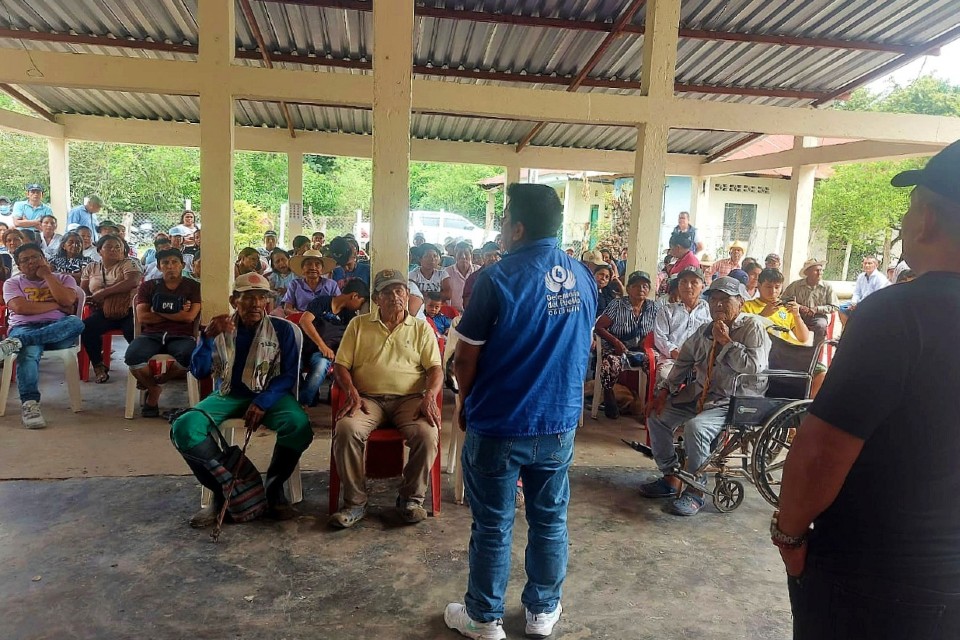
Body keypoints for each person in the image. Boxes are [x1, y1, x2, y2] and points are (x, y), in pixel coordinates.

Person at [776, 140, 960, 639]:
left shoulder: (899, 313)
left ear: (924, 218)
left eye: (909, 207)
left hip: (876, 583)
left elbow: (821, 451)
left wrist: (789, 534)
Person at [444, 183, 596, 640]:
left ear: (519, 228)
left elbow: (465, 357)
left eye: (506, 218)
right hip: (558, 424)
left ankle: (484, 618)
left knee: (493, 523)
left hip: (499, 424)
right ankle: (542, 613)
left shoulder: (497, 278)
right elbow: (579, 343)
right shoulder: (583, 276)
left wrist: (465, 402)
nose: (503, 227)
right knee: (549, 518)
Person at [170, 272, 311, 527]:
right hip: (227, 394)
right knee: (185, 427)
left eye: (262, 297)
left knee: (298, 425)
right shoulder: (221, 328)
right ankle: (222, 491)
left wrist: (264, 401)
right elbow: (199, 371)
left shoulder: (282, 330)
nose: (256, 304)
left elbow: (289, 375)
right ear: (235, 300)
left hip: (271, 394)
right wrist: (207, 338)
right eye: (248, 297)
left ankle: (274, 486)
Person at [639, 276, 769, 517]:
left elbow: (754, 366)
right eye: (713, 300)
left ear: (740, 302)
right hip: (701, 394)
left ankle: (695, 490)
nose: (718, 305)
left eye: (725, 300)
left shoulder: (752, 327)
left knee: (696, 428)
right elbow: (683, 364)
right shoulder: (703, 331)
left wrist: (728, 343)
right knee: (657, 416)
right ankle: (670, 478)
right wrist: (664, 391)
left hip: (735, 400)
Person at [328, 269, 442, 529]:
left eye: (399, 291)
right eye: (387, 292)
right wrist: (351, 391)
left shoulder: (421, 328)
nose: (395, 297)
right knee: (346, 429)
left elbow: (435, 369)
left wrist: (430, 396)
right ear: (376, 298)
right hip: (367, 400)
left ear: (407, 294)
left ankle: (410, 500)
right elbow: (342, 365)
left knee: (427, 433)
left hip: (410, 400)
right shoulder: (358, 325)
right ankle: (355, 502)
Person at [0, 243, 85, 428]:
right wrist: (57, 306)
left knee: (76, 323)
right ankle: (30, 405)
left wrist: (47, 275)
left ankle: (16, 343)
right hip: (24, 326)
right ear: (19, 266)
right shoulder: (12, 283)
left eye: (36, 257)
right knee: (29, 352)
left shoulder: (64, 278)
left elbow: (69, 300)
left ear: (44, 259)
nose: (32, 262)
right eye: (25, 260)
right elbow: (21, 308)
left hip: (58, 328)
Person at [125, 248, 201, 417]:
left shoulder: (194, 287)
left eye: (174, 262)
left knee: (191, 355)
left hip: (181, 335)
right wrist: (177, 312)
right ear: (159, 267)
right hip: (151, 335)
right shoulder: (148, 286)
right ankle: (153, 389)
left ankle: (162, 379)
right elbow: (143, 317)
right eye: (165, 263)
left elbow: (189, 318)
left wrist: (156, 309)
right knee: (132, 356)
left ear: (182, 265)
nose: (170, 266)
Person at [594, 270, 660, 419]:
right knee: (610, 362)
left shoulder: (654, 308)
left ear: (649, 289)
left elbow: (660, 331)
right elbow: (599, 327)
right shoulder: (617, 304)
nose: (640, 289)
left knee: (656, 364)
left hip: (640, 351)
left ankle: (650, 404)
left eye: (644, 286)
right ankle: (609, 394)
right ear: (628, 288)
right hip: (616, 349)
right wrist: (616, 342)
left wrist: (648, 341)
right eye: (636, 286)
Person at [79, 236, 144, 384]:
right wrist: (90, 299)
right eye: (109, 246)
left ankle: (141, 371)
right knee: (87, 328)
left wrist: (103, 293)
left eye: (118, 247)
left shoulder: (129, 263)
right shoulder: (91, 267)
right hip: (103, 311)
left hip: (128, 310)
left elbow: (132, 282)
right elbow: (83, 292)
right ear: (99, 251)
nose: (114, 250)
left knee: (133, 331)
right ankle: (98, 366)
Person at [298, 279, 370, 407]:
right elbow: (305, 321)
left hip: (325, 355)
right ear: (354, 296)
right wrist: (322, 346)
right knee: (292, 365)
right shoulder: (322, 302)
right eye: (361, 302)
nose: (360, 307)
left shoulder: (350, 316)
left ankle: (303, 404)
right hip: (304, 349)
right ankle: (308, 397)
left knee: (321, 364)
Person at [652, 267, 712, 381]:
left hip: (702, 362)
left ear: (703, 287)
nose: (688, 286)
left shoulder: (709, 311)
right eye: (683, 282)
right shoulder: (666, 311)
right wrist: (677, 354)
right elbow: (660, 338)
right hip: (673, 362)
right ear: (678, 285)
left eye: (694, 282)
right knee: (666, 377)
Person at [742, 268, 810, 345]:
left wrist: (796, 315)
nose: (773, 291)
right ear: (759, 286)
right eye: (768, 287)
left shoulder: (786, 308)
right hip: (764, 347)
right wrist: (762, 316)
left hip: (786, 348)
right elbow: (743, 334)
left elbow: (803, 338)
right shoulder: (747, 306)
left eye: (777, 287)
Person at [782, 258, 839, 343]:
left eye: (821, 270)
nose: (820, 273)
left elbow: (835, 306)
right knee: (783, 321)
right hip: (797, 315)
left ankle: (815, 352)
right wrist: (799, 307)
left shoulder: (827, 287)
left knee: (821, 325)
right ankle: (790, 350)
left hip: (818, 316)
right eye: (816, 270)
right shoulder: (795, 285)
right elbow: (783, 300)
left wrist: (817, 309)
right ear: (807, 272)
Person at [282, 250, 340, 314]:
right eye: (308, 264)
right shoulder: (295, 284)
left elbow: (339, 305)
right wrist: (302, 316)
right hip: (300, 320)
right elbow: (287, 308)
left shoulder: (331, 285)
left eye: (317, 264)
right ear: (302, 268)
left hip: (326, 320)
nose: (313, 267)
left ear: (322, 269)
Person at [838, 255, 888, 325]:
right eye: (865, 263)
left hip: (872, 305)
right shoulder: (861, 276)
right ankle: (847, 330)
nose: (867, 265)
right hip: (860, 303)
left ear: (876, 265)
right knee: (842, 308)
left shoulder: (880, 278)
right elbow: (857, 292)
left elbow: (878, 297)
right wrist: (854, 302)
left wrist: (860, 304)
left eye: (869, 263)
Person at [462, 241, 501, 310]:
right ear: (482, 257)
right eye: (488, 255)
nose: (493, 258)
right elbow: (467, 304)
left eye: (496, 255)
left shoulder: (506, 276)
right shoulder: (474, 278)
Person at [442, 241, 479, 313]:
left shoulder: (479, 271)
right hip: (452, 313)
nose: (463, 256)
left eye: (466, 253)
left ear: (471, 255)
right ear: (455, 255)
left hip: (475, 312)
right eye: (460, 254)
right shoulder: (446, 272)